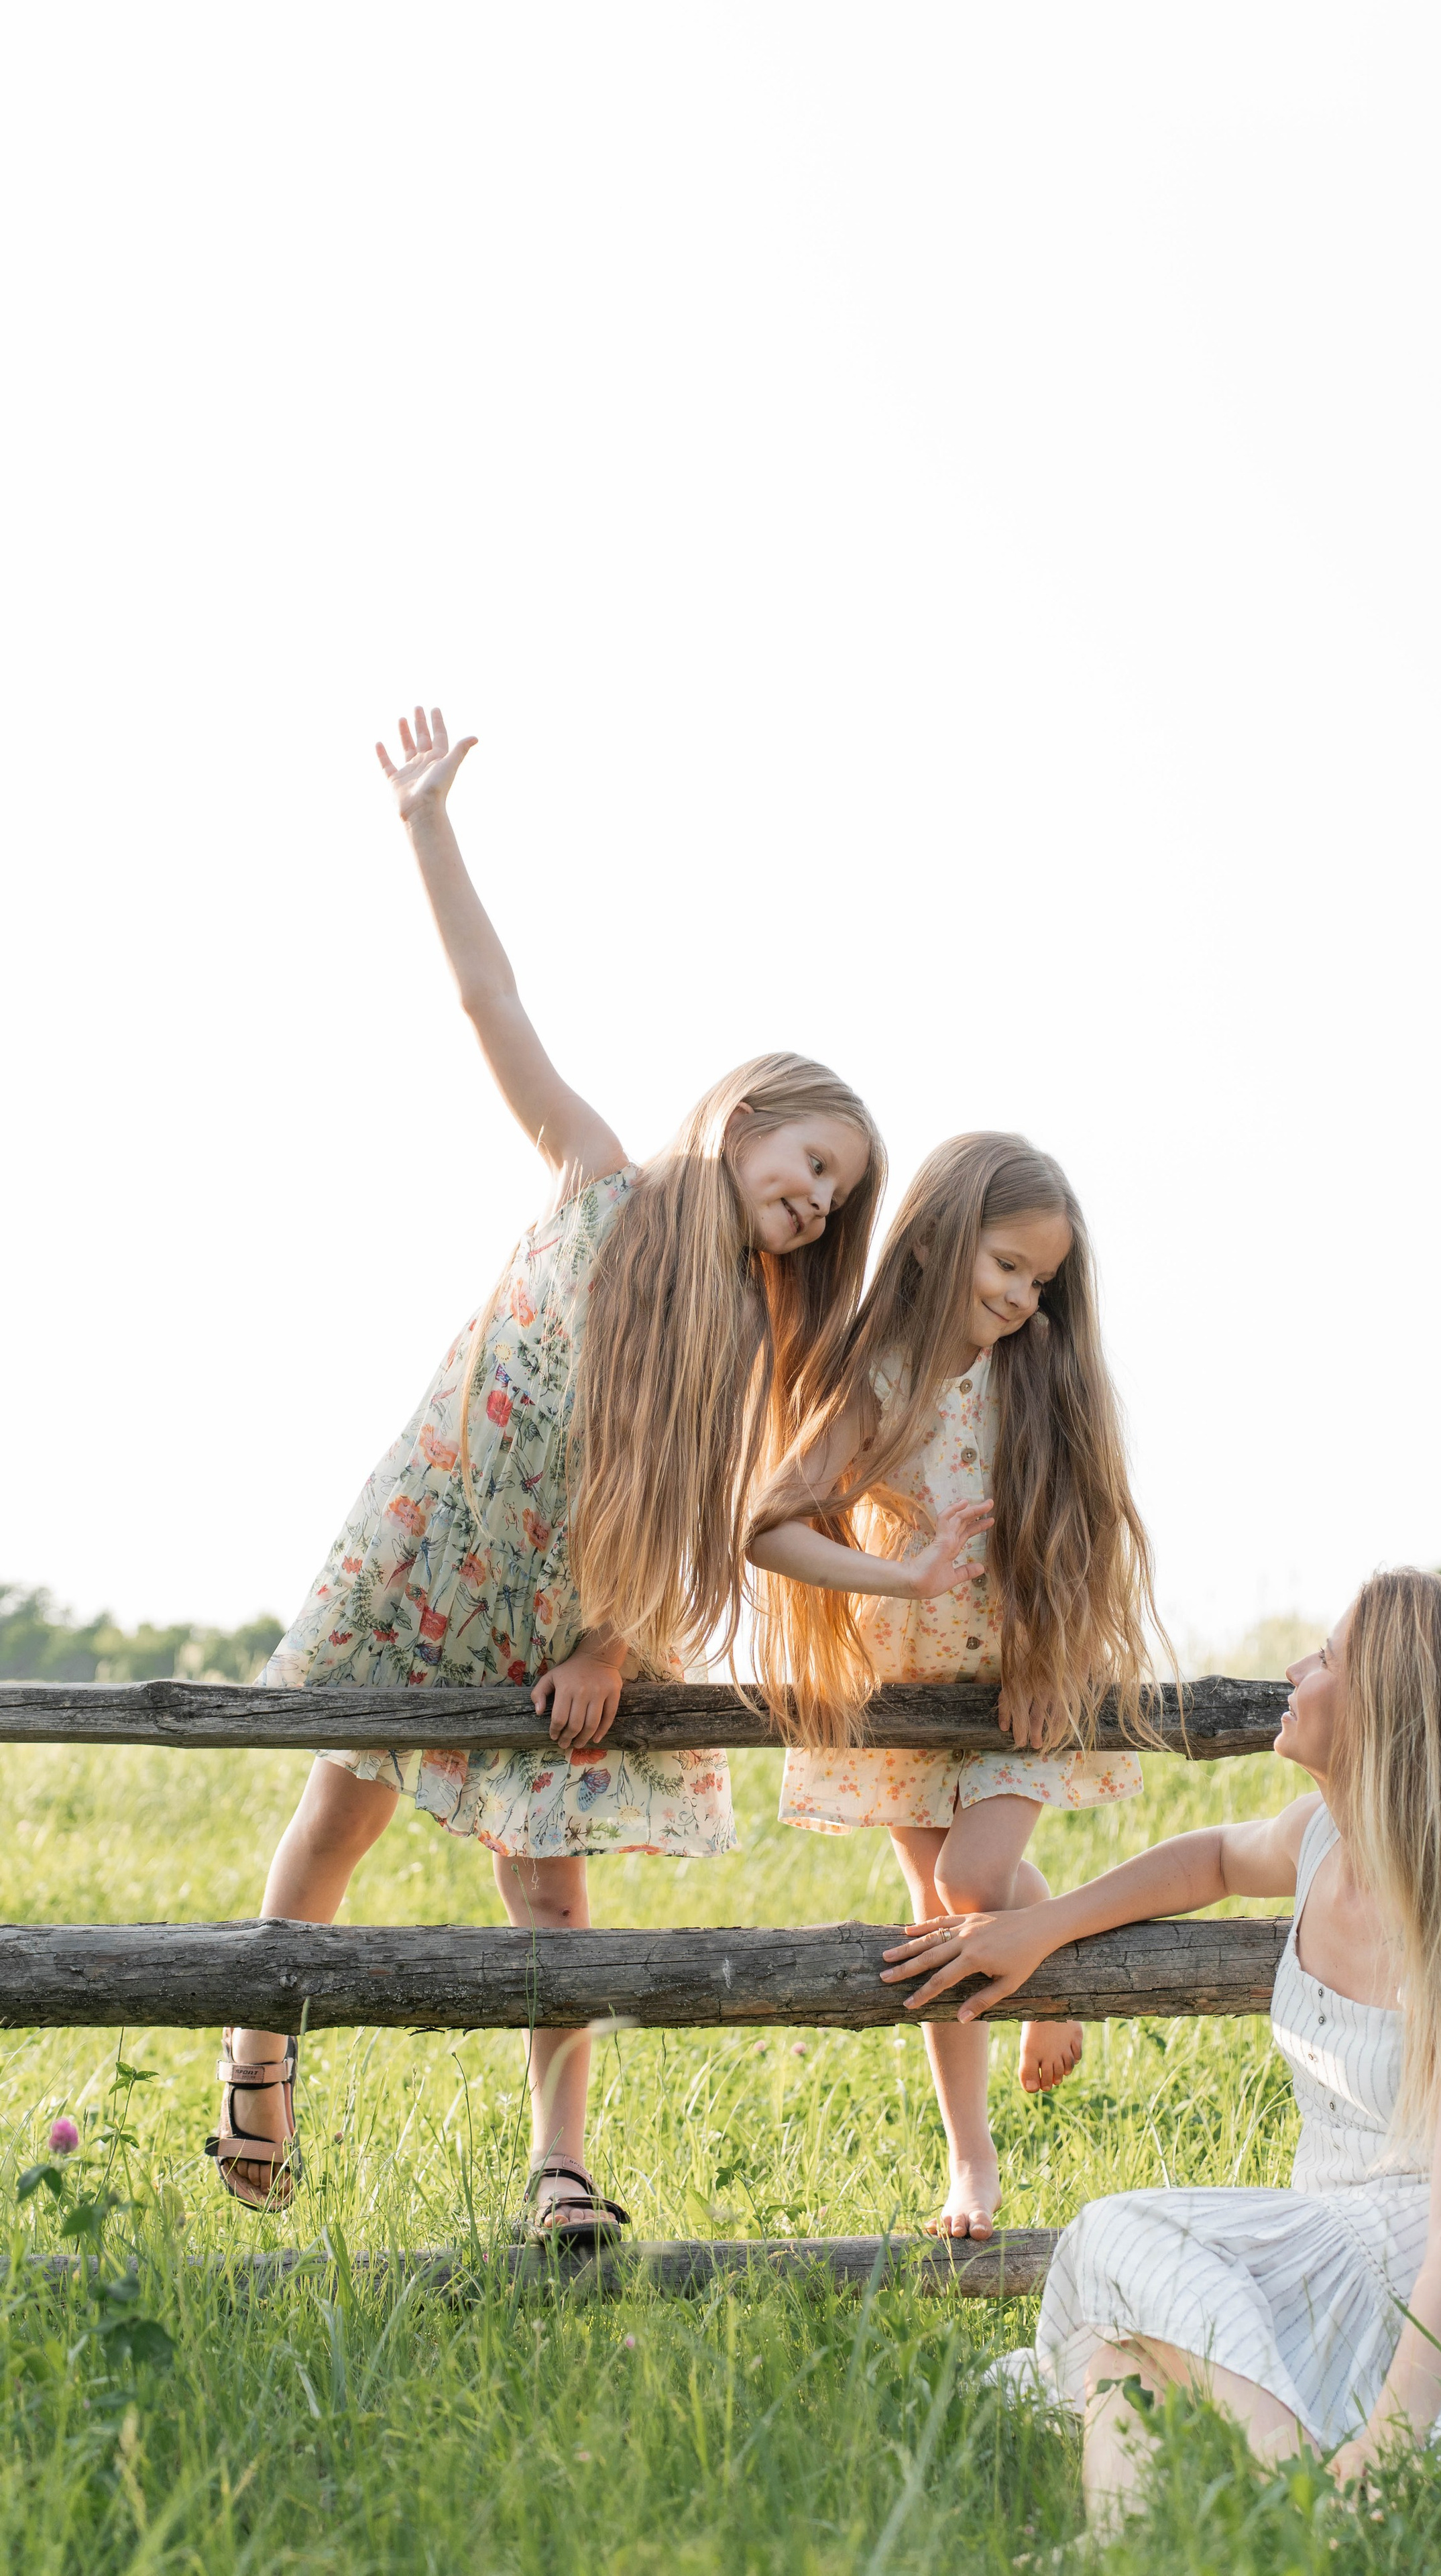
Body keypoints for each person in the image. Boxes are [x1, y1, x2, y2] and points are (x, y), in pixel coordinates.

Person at [208, 706, 882, 2238]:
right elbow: (487, 998)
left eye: (836, 1196)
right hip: (434, 1559)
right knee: (337, 1819)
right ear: (748, 1117)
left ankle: (556, 2167)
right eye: (812, 1163)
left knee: (551, 1896)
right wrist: (426, 823)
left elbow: (703, 1523)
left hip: (558, 1627)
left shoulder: (748, 1341)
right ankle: (256, 2042)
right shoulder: (596, 1176)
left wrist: (610, 1647)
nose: (816, 1199)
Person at [880, 1567, 1441, 2527]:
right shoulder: (1325, 1838)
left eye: (1326, 1656)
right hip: (1345, 2239)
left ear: (1385, 1711)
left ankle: (1320, 2496)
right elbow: (1214, 1860)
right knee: (1118, 2345)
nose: (1294, 1667)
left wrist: (1391, 2438)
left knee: (1115, 2238)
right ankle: (1133, 2550)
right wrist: (1044, 1926)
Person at [748, 1133, 1167, 2242]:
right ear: (940, 1238)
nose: (1025, 1298)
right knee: (939, 1922)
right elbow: (768, 1523)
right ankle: (970, 2161)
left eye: (1041, 1280)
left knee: (978, 1883)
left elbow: (1082, 1540)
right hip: (910, 1688)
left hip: (1020, 1681)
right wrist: (897, 1572)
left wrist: (1053, 1661)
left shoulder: (1039, 1376)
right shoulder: (876, 1378)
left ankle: (1054, 1968)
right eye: (1008, 1266)